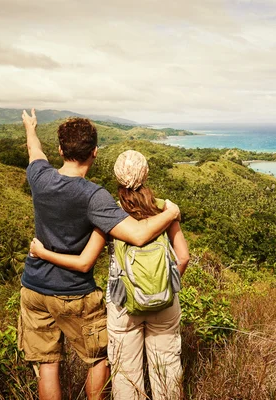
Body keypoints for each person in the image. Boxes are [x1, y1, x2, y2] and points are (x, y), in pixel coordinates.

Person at [19, 109, 182, 400]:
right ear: (94, 152)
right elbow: (138, 234)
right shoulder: (94, 196)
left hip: (33, 289)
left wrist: (30, 127)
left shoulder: (39, 177)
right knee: (98, 359)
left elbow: (34, 150)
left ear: (60, 149)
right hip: (74, 293)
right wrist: (170, 213)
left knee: (47, 364)